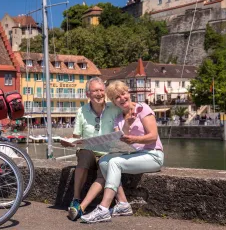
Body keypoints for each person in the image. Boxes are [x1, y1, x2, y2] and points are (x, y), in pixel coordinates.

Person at [80, 80, 164, 223]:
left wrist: (134, 139)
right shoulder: (118, 119)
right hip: (134, 154)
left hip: (153, 155)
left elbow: (153, 137)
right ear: (113, 101)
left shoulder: (142, 109)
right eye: (117, 97)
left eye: (123, 94)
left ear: (128, 93)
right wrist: (126, 125)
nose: (122, 98)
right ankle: (123, 204)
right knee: (104, 161)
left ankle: (103, 209)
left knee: (115, 163)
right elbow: (120, 140)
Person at [61, 77, 121, 221]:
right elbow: (76, 136)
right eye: (95, 91)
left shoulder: (114, 109)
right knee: (84, 154)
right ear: (88, 94)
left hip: (108, 154)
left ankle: (81, 207)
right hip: (89, 153)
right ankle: (75, 198)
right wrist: (69, 142)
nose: (99, 94)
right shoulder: (81, 111)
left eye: (101, 90)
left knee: (105, 169)